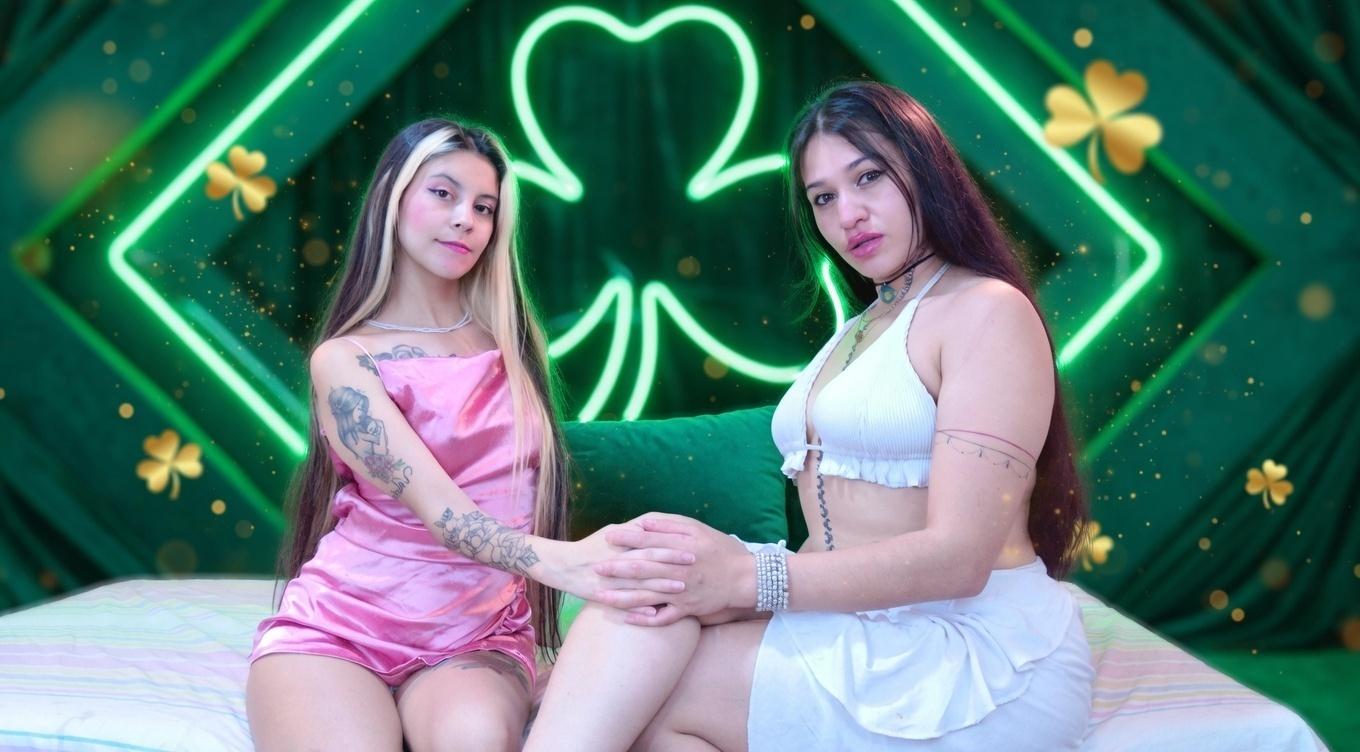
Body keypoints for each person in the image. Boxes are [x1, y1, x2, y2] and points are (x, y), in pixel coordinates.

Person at [525, 81, 1095, 751]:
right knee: (639, 618)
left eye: (869, 177)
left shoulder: (987, 311)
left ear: (927, 169)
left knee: (633, 684)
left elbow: (961, 559)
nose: (848, 213)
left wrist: (747, 580)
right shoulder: (863, 325)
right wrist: (717, 583)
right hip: (852, 624)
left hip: (969, 656)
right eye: (823, 197)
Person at [245, 118, 689, 752]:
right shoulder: (345, 361)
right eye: (443, 194)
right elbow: (445, 515)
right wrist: (570, 563)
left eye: (484, 207)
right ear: (393, 197)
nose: (465, 220)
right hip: (340, 626)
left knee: (475, 739)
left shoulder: (512, 346)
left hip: (476, 635)